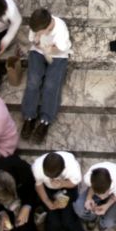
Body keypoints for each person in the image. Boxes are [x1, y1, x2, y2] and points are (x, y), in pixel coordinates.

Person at [21, 9, 72, 143]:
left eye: (41, 30)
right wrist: (37, 41)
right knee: (33, 82)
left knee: (51, 85)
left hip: (58, 56)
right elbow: (33, 40)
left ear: (48, 26)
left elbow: (62, 48)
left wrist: (48, 48)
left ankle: (45, 120)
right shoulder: (37, 24)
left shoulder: (60, 28)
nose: (36, 32)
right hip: (38, 53)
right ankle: (29, 117)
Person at [32, 151, 90, 231]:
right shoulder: (37, 166)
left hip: (67, 186)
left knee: (69, 221)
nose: (51, 179)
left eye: (53, 177)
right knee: (53, 222)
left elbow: (74, 183)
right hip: (48, 190)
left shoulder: (73, 167)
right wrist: (48, 202)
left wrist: (62, 183)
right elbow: (39, 185)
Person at [73, 161, 116, 231]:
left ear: (109, 188)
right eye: (98, 194)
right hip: (99, 187)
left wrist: (106, 206)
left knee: (109, 221)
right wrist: (89, 198)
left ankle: (103, 224)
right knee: (79, 208)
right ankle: (91, 218)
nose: (101, 197)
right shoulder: (88, 177)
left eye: (103, 194)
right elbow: (91, 186)